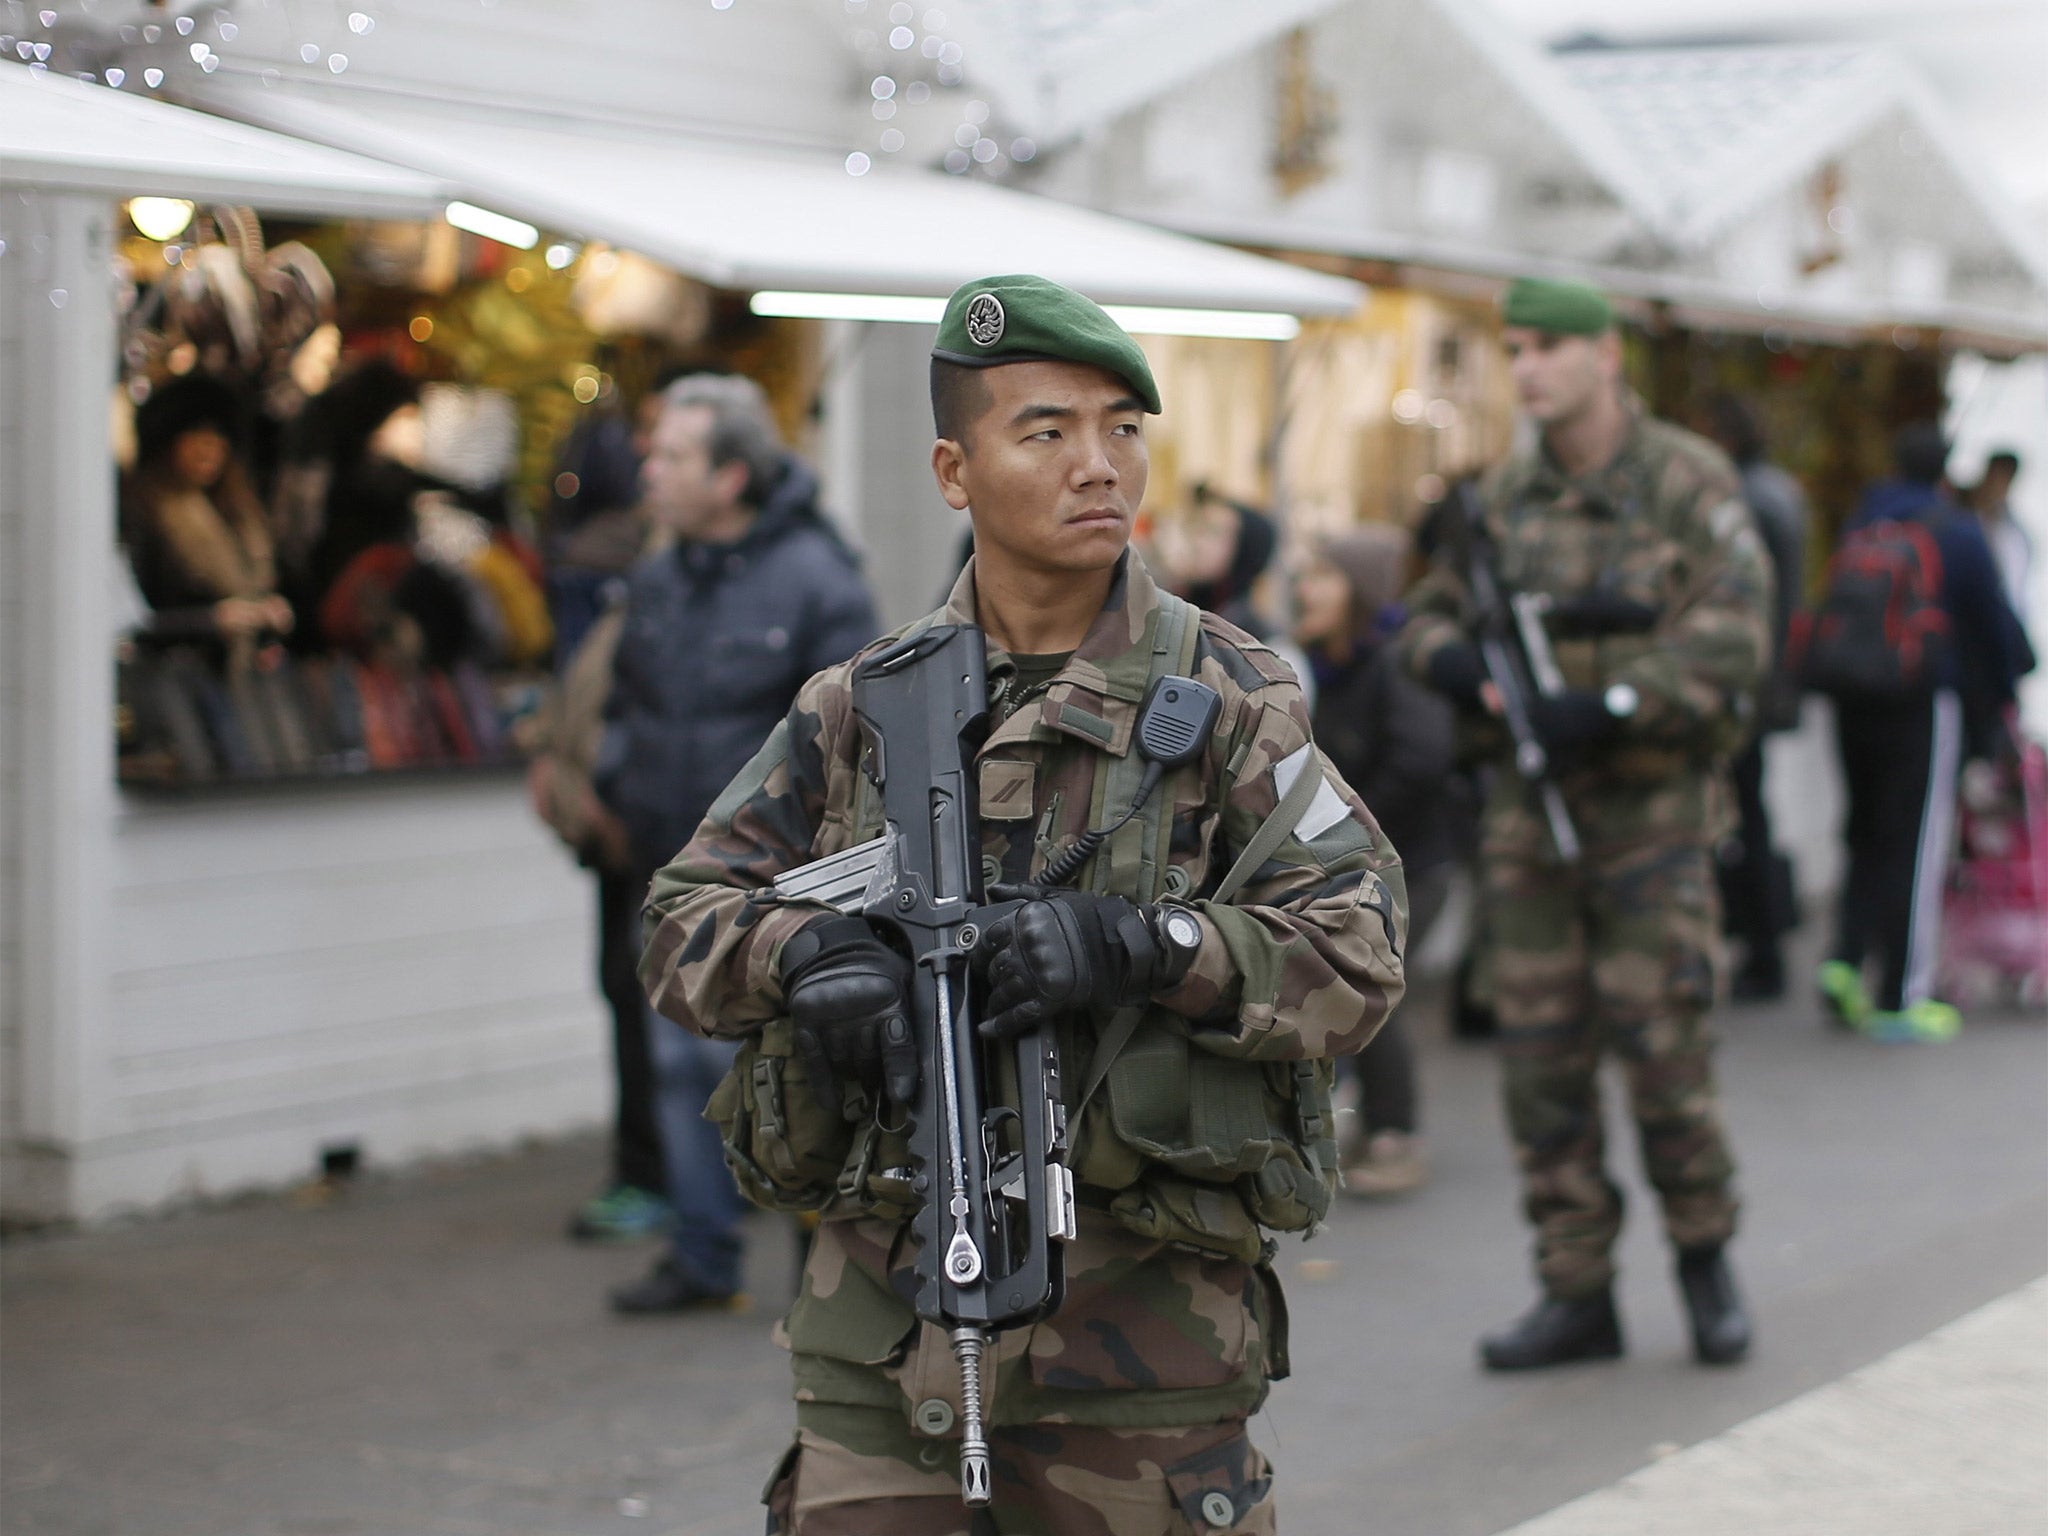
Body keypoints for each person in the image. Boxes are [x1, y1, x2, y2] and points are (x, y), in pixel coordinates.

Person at [640, 275, 1407, 1531]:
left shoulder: (1223, 699)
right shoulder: (863, 707)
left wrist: (1150, 946)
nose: (1097, 465)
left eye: (1121, 429)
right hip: (879, 1346)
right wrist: (808, 951)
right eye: (1045, 432)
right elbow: (682, 921)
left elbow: (1360, 949)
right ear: (955, 471)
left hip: (1136, 1356)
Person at [1398, 278, 1768, 1371]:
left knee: (1665, 1055)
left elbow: (1736, 636)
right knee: (1540, 1065)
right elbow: (1419, 617)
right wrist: (1456, 664)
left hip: (1651, 823)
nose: (1526, 370)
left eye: (1547, 348)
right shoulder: (1500, 498)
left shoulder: (1682, 483)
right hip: (1529, 829)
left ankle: (1704, 1259)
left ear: (1604, 356)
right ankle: (1574, 1288)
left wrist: (1609, 702)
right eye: (1514, 350)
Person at [600, 373, 879, 1312]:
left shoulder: (816, 580)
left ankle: (825, 1269)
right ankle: (702, 1256)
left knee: (798, 1070)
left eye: (672, 456)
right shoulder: (656, 577)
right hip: (670, 871)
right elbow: (627, 700)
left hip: (780, 885)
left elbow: (855, 741)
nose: (651, 470)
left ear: (729, 477)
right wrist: (612, 784)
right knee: (678, 1061)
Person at [1816, 424, 2026, 1043]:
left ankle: (1845, 962)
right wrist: (2006, 700)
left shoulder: (1863, 522)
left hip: (1854, 698)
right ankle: (1901, 994)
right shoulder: (1955, 530)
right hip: (1921, 702)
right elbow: (1994, 627)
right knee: (1914, 843)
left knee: (1863, 830)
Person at [1294, 526, 1459, 1196]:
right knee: (1355, 984)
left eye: (1323, 577)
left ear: (1359, 594)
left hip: (1410, 862)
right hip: (1367, 865)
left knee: (1372, 985)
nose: (1305, 590)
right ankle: (1370, 1128)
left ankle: (1395, 1137)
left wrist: (1351, 831)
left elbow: (1421, 757)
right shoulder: (1334, 666)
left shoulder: (1391, 662)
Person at [1702, 394, 1807, 1002]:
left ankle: (1760, 947)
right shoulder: (1778, 493)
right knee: (1752, 812)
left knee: (1740, 816)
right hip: (1763, 683)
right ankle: (1763, 944)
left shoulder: (1744, 501)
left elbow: (1744, 602)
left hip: (1743, 685)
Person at [122, 375, 295, 648]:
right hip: (177, 672)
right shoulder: (145, 511)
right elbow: (134, 616)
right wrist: (209, 621)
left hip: (228, 679)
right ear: (169, 443)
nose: (208, 450)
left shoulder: (239, 513)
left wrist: (267, 616)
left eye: (217, 440)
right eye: (196, 436)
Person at [1970, 449, 2029, 624]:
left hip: (2003, 619)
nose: (1999, 485)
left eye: (2005, 479)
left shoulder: (2014, 533)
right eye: (1996, 477)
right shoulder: (1965, 523)